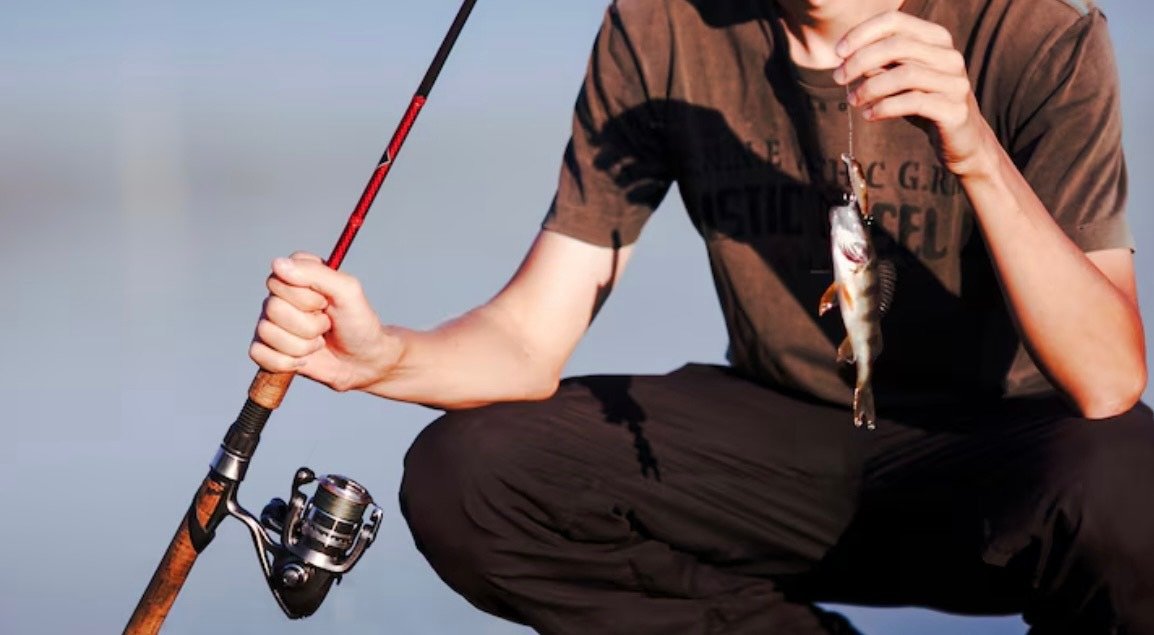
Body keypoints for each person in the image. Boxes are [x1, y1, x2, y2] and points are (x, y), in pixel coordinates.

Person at [250, 0, 1152, 632]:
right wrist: (383, 357)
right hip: (777, 441)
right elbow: (528, 338)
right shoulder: (662, 23)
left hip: (997, 455)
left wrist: (975, 147)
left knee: (1130, 487)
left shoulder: (1041, 33)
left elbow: (1110, 379)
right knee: (469, 473)